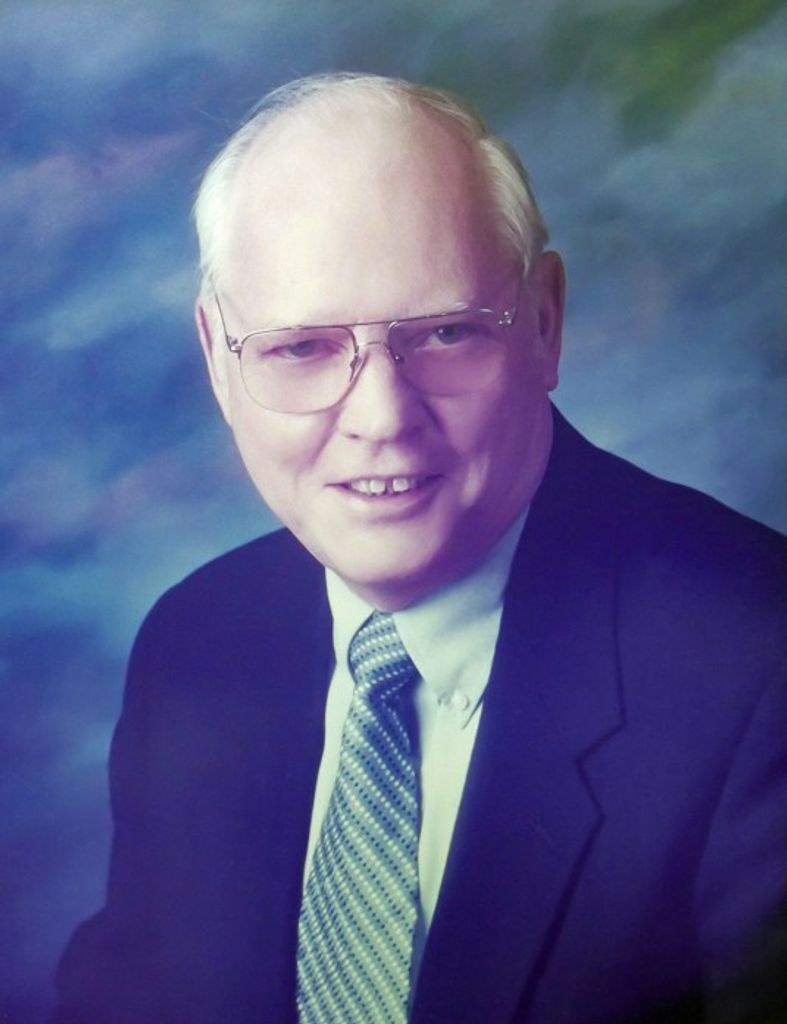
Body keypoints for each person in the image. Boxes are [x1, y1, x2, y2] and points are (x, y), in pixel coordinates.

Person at [54, 73, 787, 1024]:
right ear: (218, 360)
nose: (382, 418)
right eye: (301, 348)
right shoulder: (195, 643)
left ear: (544, 323)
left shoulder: (756, 667)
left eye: (444, 334)